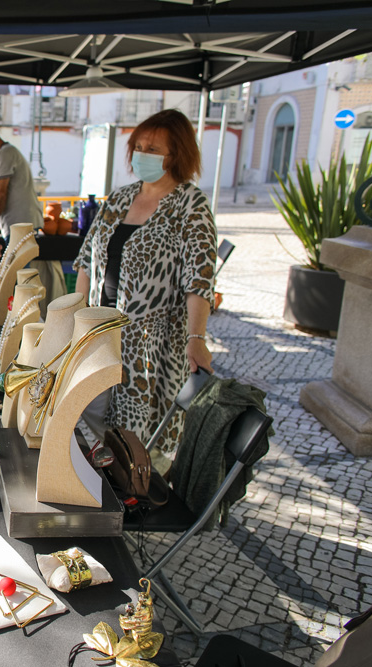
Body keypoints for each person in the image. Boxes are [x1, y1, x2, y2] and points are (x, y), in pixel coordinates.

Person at [73, 108, 217, 457]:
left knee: (131, 439)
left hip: (150, 345)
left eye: (153, 148)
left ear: (176, 154)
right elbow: (87, 261)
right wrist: (73, 318)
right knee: (83, 414)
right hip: (98, 331)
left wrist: (196, 339)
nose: (142, 154)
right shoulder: (120, 197)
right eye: (138, 146)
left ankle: (127, 495)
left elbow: (200, 279)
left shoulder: (190, 204)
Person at [0, 126, 41, 239]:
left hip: (20, 224)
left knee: (17, 257)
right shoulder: (4, 154)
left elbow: (0, 193)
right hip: (19, 224)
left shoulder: (4, 154)